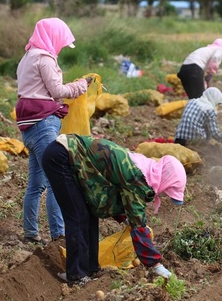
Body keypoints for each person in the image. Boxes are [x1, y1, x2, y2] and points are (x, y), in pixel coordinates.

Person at [42, 134, 187, 287]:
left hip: (70, 157)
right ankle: (76, 275)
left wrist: (124, 218)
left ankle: (90, 268)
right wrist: (155, 264)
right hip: (61, 157)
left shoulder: (144, 169)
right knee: (79, 216)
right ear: (166, 179)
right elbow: (139, 225)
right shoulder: (138, 179)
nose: (164, 195)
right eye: (168, 191)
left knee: (89, 214)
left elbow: (116, 195)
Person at [16, 18, 90, 245]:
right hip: (43, 123)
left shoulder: (27, 57)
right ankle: (58, 234)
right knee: (55, 180)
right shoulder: (44, 58)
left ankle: (31, 233)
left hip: (28, 125)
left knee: (36, 183)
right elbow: (57, 91)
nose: (61, 46)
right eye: (61, 41)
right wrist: (81, 86)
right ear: (53, 37)